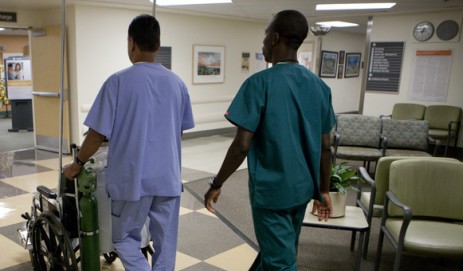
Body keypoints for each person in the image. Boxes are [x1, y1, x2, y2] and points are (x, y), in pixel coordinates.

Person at [204, 9, 336, 271]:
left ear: (275, 38)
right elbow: (325, 146)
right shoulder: (320, 87)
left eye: (265, 35)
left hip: (272, 192)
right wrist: (323, 190)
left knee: (280, 262)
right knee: (279, 251)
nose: (263, 42)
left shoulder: (258, 84)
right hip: (302, 190)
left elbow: (242, 145)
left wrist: (216, 183)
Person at [63, 14, 195, 271]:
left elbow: (96, 136)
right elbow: (177, 133)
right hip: (167, 178)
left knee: (124, 240)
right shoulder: (177, 84)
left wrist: (77, 164)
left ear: (131, 43)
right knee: (166, 246)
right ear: (158, 45)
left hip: (131, 180)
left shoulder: (118, 82)